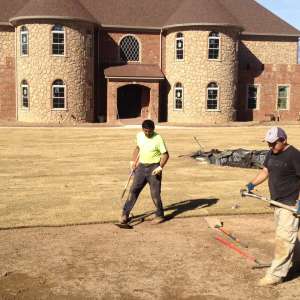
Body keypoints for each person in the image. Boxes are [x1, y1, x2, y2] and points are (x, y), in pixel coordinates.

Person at [245, 126, 300, 286]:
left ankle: (276, 275)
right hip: (277, 202)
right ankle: (297, 262)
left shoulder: (295, 155)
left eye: (273, 143)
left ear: (284, 140)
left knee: (284, 239)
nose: (270, 147)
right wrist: (251, 184)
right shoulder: (271, 153)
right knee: (288, 237)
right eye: (268, 144)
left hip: (290, 205)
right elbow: (265, 171)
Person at [120, 119, 169, 225]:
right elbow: (137, 148)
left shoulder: (158, 138)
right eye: (145, 131)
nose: (147, 133)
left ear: (153, 129)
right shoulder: (139, 136)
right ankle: (125, 214)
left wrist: (160, 167)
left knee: (155, 193)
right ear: (142, 129)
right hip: (141, 167)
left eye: (149, 131)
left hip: (154, 168)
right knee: (133, 190)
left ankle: (160, 215)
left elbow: (165, 155)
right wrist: (133, 161)